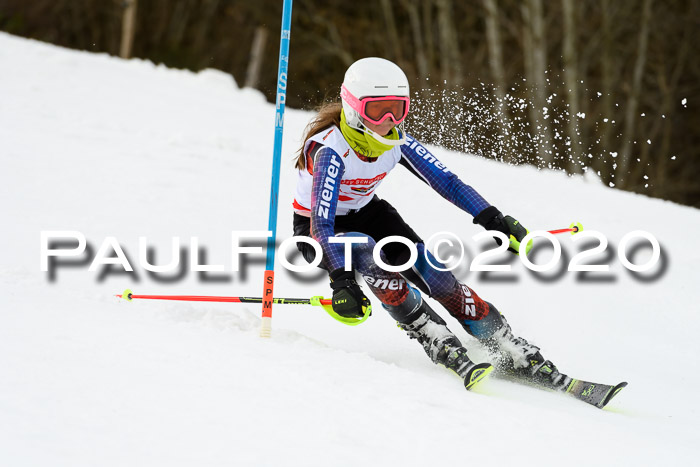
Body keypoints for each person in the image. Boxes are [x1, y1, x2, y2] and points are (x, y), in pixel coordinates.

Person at [291, 57, 570, 390]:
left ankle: (506, 343)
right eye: (377, 110)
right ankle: (432, 334)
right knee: (365, 251)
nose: (389, 120)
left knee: (432, 272)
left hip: (370, 213)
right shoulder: (330, 152)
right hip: (318, 231)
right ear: (353, 109)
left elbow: (447, 183)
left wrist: (493, 219)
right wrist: (342, 280)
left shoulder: (396, 141)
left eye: (398, 108)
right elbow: (321, 225)